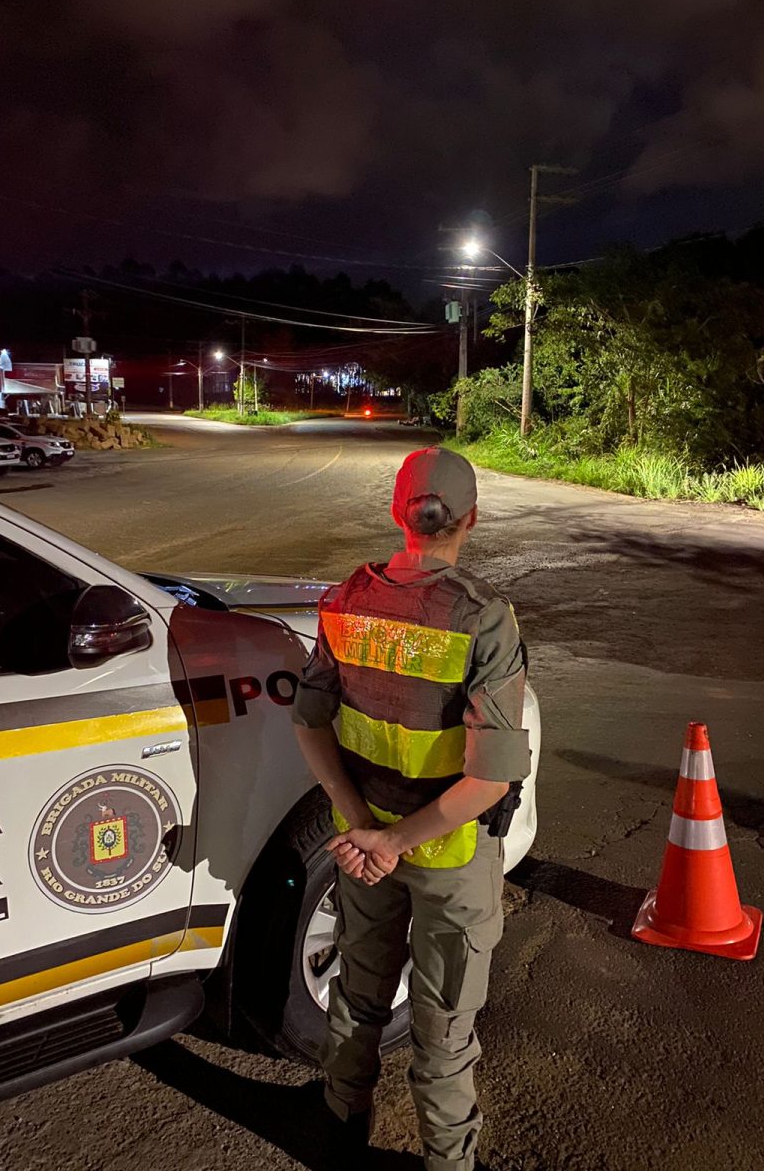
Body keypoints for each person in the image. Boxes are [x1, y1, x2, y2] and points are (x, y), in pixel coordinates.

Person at [292, 446, 531, 1171]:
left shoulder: (345, 601)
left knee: (359, 993)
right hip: (447, 856)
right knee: (444, 1025)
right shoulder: (484, 619)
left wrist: (363, 826)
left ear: (400, 514)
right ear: (471, 520)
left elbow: (308, 722)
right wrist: (400, 840)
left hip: (359, 846)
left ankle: (340, 1122)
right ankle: (447, 1160)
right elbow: (489, 781)